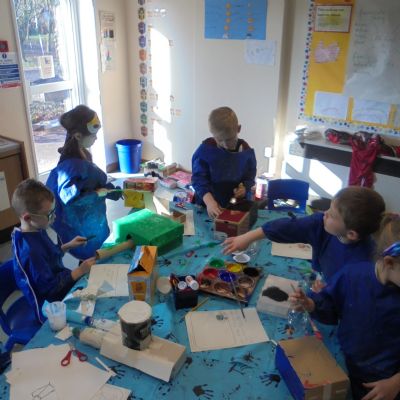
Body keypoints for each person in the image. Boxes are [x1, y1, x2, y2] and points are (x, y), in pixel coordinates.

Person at [290, 213, 400, 400]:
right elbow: (330, 306)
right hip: (346, 361)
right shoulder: (352, 275)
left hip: (388, 378)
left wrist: (396, 382)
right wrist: (310, 304)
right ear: (389, 262)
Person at [223, 186, 385, 283]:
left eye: (332, 215)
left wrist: (328, 294)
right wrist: (246, 237)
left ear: (351, 234)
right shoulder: (322, 223)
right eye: (328, 208)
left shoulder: (364, 265)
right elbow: (287, 227)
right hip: (322, 280)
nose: (324, 213)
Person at [11, 179, 96, 323]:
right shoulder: (30, 251)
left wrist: (68, 246)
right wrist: (80, 270)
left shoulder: (36, 228)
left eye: (54, 211)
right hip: (49, 306)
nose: (54, 217)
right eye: (49, 214)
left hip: (59, 284)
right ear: (28, 217)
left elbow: (49, 256)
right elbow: (50, 289)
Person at [46, 105, 121, 260]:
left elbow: (91, 183)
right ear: (78, 136)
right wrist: (99, 194)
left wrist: (110, 190)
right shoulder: (71, 168)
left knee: (98, 248)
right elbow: (70, 198)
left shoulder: (83, 154)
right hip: (80, 223)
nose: (96, 138)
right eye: (93, 135)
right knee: (90, 254)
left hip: (92, 217)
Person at [191, 106, 257, 218]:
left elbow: (250, 175)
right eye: (220, 140)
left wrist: (244, 188)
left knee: (233, 225)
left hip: (234, 203)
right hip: (207, 203)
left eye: (229, 139)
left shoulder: (245, 151)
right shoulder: (206, 150)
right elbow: (198, 179)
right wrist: (209, 202)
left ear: (238, 129)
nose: (225, 144)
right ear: (213, 134)